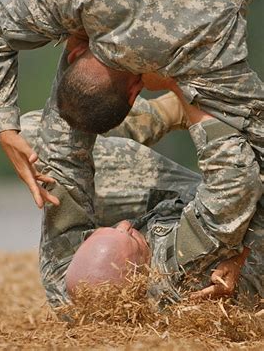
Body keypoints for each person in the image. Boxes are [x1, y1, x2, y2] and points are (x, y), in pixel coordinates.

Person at [19, 97, 262, 307]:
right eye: (132, 237)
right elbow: (238, 181)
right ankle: (193, 106)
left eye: (106, 229)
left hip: (176, 204)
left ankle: (163, 113)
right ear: (140, 275)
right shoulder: (177, 270)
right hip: (238, 214)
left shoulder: (64, 284)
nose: (124, 224)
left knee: (33, 135)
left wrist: (75, 51)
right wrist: (196, 105)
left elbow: (57, 146)